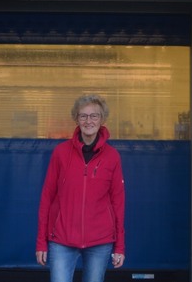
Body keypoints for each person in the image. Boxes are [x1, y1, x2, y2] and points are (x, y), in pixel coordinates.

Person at [36, 94, 126, 282]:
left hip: (100, 241)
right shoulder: (61, 153)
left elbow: (118, 202)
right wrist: (41, 242)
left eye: (94, 116)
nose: (88, 121)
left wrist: (120, 246)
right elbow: (47, 197)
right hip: (62, 239)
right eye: (83, 116)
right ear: (76, 119)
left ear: (102, 119)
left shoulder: (112, 157)